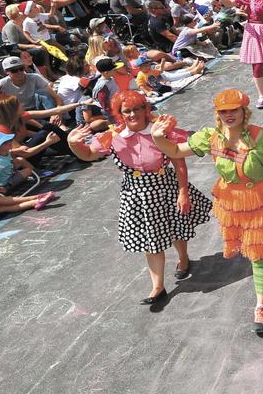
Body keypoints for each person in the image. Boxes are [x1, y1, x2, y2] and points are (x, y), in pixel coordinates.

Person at [155, 89, 263, 334]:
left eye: (233, 110)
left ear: (244, 110)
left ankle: (261, 306)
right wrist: (158, 137)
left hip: (259, 200)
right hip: (231, 202)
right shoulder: (211, 136)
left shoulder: (262, 139)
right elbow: (176, 151)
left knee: (257, 253)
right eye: (223, 111)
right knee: (253, 248)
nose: (228, 115)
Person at [67, 90, 212, 311]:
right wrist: (72, 144)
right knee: (150, 240)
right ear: (120, 114)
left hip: (166, 187)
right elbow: (87, 155)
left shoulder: (159, 131)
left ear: (145, 109)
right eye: (127, 111)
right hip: (136, 194)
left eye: (137, 108)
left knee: (176, 229)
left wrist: (183, 191)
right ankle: (158, 287)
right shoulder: (113, 136)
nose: (133, 114)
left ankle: (183, 258)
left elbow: (178, 161)